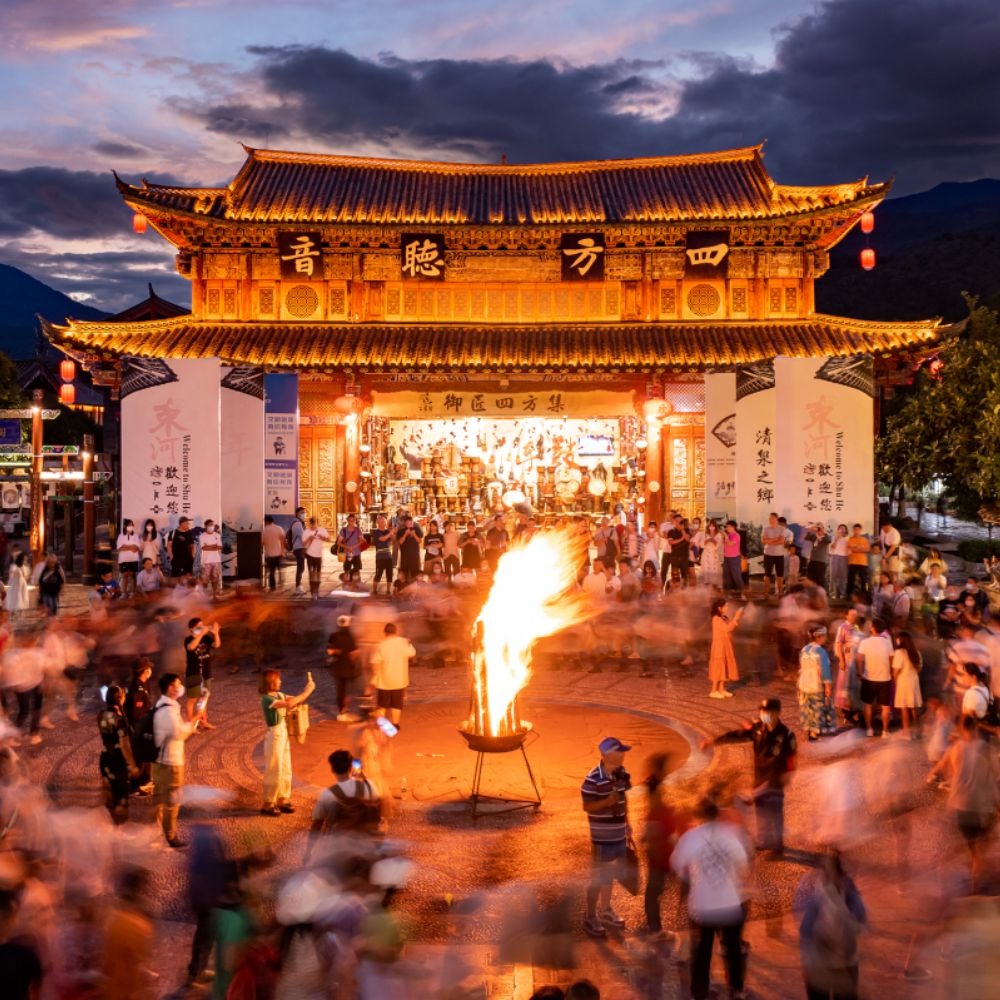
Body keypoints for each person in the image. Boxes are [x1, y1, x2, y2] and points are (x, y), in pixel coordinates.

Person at [671, 796, 751, 1000]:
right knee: (732, 949)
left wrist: (691, 876)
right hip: (730, 904)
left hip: (702, 906)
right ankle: (737, 988)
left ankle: (700, 991)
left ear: (699, 816)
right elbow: (743, 865)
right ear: (717, 814)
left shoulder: (690, 837)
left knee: (702, 951)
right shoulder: (730, 835)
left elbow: (677, 865)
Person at [703, 698, 797, 856]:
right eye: (762, 711)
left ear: (777, 713)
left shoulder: (787, 735)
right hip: (759, 777)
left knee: (774, 813)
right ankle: (764, 841)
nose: (764, 715)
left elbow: (791, 758)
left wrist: (789, 774)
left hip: (775, 780)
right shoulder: (757, 729)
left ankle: (777, 846)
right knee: (760, 811)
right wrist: (714, 741)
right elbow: (737, 735)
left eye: (768, 712)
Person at [928, 714, 1000, 892]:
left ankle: (942, 879)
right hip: (983, 809)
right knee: (979, 850)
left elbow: (934, 772)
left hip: (960, 807)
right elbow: (996, 776)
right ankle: (976, 886)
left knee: (966, 844)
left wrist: (931, 779)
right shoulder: (985, 749)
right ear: (975, 728)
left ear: (961, 729)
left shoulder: (954, 748)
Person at [795, 852, 866, 1000]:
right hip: (843, 964)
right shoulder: (849, 890)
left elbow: (805, 930)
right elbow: (861, 921)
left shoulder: (813, 892)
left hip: (820, 966)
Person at [580, 736, 632, 938]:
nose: (623, 754)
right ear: (608, 754)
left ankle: (606, 910)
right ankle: (590, 916)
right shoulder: (592, 779)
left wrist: (628, 823)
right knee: (597, 878)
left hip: (619, 834)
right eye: (620, 751)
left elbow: (624, 798)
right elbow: (587, 806)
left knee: (609, 875)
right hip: (602, 839)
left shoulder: (622, 774)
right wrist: (606, 802)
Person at [152, 672, 205, 848]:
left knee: (159, 796)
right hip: (170, 763)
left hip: (159, 761)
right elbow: (180, 734)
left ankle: (155, 826)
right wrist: (195, 718)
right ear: (170, 688)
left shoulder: (161, 704)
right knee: (172, 800)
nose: (180, 686)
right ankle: (170, 835)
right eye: (177, 684)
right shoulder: (168, 711)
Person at [259, 667, 316, 816]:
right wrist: (307, 691)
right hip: (274, 735)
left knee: (285, 767)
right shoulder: (267, 699)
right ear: (271, 682)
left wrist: (304, 692)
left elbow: (294, 700)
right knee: (274, 769)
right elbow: (290, 704)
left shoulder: (278, 694)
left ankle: (282, 798)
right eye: (278, 679)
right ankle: (268, 802)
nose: (280, 681)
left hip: (282, 733)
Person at [642, 751, 683, 940]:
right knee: (655, 888)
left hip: (658, 850)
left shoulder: (654, 793)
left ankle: (652, 925)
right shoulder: (656, 800)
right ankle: (654, 929)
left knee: (655, 889)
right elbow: (655, 831)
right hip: (659, 852)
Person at [308, 748, 381, 849]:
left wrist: (308, 852)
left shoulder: (327, 794)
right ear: (351, 767)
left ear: (332, 769)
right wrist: (364, 777)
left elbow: (317, 825)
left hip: (337, 847)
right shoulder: (368, 787)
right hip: (364, 845)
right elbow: (378, 806)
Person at [99, 866, 154, 1000]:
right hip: (128, 992)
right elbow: (140, 966)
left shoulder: (111, 920)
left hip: (114, 989)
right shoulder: (138, 926)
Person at [97, 684, 139, 823]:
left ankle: (110, 826)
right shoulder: (119, 720)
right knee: (120, 797)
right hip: (118, 760)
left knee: (109, 796)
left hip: (105, 758)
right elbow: (124, 745)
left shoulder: (101, 715)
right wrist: (133, 766)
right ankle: (118, 829)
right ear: (120, 699)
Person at [370, 622, 415, 729]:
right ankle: (395, 725)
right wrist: (409, 643)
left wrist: (375, 676)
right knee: (396, 704)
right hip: (400, 680)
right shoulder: (403, 642)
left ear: (385, 633)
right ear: (396, 631)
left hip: (384, 681)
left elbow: (375, 662)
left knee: (382, 705)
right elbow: (412, 653)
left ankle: (383, 727)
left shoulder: (380, 644)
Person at [856, 617, 893, 737]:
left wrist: (860, 673)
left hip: (869, 677)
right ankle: (885, 731)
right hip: (885, 678)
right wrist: (891, 673)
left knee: (867, 704)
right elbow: (891, 659)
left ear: (873, 628)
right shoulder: (887, 642)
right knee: (885, 706)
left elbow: (860, 660)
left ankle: (869, 729)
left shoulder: (865, 642)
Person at [798, 625, 834, 740]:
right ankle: (814, 732)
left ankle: (807, 729)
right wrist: (828, 686)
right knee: (816, 708)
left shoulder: (804, 649)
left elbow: (801, 666)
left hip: (803, 682)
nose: (825, 638)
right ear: (819, 637)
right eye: (824, 636)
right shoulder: (820, 651)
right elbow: (825, 670)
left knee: (806, 707)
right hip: (815, 682)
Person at [184, 617, 220, 728]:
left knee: (203, 698)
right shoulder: (188, 639)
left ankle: (203, 722)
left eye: (202, 625)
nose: (201, 628)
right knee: (192, 700)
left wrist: (216, 633)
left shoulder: (206, 638)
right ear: (191, 629)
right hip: (194, 674)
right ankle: (190, 725)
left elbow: (217, 645)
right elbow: (191, 647)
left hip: (206, 673)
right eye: (198, 627)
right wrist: (200, 634)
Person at [708, 597, 744, 698]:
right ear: (720, 608)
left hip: (726, 644)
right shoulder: (716, 619)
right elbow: (727, 629)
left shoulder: (724, 618)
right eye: (726, 606)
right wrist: (736, 617)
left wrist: (738, 617)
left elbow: (731, 627)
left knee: (725, 665)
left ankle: (721, 688)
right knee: (718, 666)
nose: (727, 607)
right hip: (719, 645)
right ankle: (713, 690)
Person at [327, 614, 360, 721]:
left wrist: (338, 652)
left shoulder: (333, 636)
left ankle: (342, 711)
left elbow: (329, 651)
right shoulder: (352, 636)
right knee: (348, 690)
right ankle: (346, 709)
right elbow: (355, 653)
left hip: (337, 668)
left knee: (340, 690)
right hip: (349, 668)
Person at [892, 631, 923, 739]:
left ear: (901, 640)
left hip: (903, 681)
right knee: (913, 707)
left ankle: (907, 733)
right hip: (914, 681)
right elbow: (919, 668)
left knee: (904, 707)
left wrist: (894, 678)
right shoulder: (916, 652)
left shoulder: (899, 652)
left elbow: (897, 669)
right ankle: (917, 731)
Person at [301, 517, 329, 600]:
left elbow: (329, 539)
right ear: (310, 524)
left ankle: (317, 591)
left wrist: (323, 538)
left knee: (318, 574)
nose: (314, 526)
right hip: (310, 555)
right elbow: (303, 543)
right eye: (312, 524)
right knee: (311, 574)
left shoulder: (322, 530)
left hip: (318, 555)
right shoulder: (306, 531)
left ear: (318, 523)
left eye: (315, 524)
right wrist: (310, 538)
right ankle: (313, 591)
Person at [761, 512, 786, 598]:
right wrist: (775, 539)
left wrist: (769, 540)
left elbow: (781, 541)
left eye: (772, 518)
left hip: (779, 554)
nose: (770, 519)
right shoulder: (765, 528)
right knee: (767, 574)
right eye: (769, 518)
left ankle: (780, 593)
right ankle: (766, 593)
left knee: (780, 575)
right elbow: (763, 541)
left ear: (776, 519)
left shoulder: (782, 529)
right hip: (768, 554)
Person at [371, 514, 396, 595]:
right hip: (380, 557)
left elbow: (393, 541)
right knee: (378, 574)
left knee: (389, 574)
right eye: (381, 520)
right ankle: (374, 590)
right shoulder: (376, 532)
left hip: (388, 556)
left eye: (384, 520)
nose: (383, 521)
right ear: (378, 522)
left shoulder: (387, 531)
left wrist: (393, 534)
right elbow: (382, 539)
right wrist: (391, 533)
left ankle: (388, 590)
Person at [115, 519, 141, 597]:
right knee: (124, 576)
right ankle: (123, 593)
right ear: (125, 526)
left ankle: (132, 592)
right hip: (123, 559)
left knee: (133, 575)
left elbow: (136, 548)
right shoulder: (121, 536)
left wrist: (125, 546)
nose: (131, 527)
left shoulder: (135, 535)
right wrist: (130, 547)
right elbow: (119, 548)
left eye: (132, 525)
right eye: (129, 525)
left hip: (134, 559)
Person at [845, 524, 871, 601]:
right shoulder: (850, 539)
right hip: (852, 562)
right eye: (855, 529)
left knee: (864, 580)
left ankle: (865, 595)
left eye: (858, 529)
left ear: (860, 530)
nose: (856, 531)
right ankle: (849, 595)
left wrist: (855, 548)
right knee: (851, 579)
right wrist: (859, 549)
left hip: (863, 562)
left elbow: (867, 550)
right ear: (853, 530)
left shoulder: (864, 540)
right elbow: (850, 550)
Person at [261, 515, 287, 591]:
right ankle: (281, 584)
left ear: (266, 521)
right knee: (280, 570)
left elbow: (262, 543)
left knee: (271, 572)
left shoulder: (265, 530)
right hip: (279, 553)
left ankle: (273, 588)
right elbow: (283, 540)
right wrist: (283, 551)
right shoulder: (279, 528)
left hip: (269, 555)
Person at [337, 513, 365, 580]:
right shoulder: (343, 530)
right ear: (347, 521)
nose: (351, 522)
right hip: (346, 554)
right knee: (347, 571)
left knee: (357, 571)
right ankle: (346, 586)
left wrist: (353, 547)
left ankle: (357, 586)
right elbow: (338, 542)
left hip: (356, 553)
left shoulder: (358, 530)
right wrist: (347, 547)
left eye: (353, 520)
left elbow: (362, 541)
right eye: (350, 520)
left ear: (355, 521)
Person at [167, 516, 196, 580]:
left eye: (188, 523)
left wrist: (192, 557)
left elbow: (192, 546)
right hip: (176, 559)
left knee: (188, 578)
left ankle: (188, 590)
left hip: (188, 559)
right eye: (187, 523)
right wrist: (172, 558)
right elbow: (169, 546)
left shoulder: (189, 533)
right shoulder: (173, 532)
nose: (188, 524)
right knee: (175, 578)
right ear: (182, 523)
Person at [396, 514, 423, 583]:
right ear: (405, 523)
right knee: (404, 574)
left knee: (415, 574)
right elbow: (400, 542)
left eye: (410, 523)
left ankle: (415, 589)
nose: (409, 524)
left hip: (415, 556)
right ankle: (404, 589)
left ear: (412, 522)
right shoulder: (401, 531)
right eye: (407, 523)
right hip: (405, 557)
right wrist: (405, 535)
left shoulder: (417, 529)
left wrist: (414, 535)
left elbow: (419, 541)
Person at [722, 520, 744, 596]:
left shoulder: (736, 535)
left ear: (733, 527)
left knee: (736, 576)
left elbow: (730, 544)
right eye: (726, 526)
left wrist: (725, 536)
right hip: (726, 558)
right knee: (726, 576)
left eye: (728, 526)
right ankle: (728, 593)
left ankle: (740, 593)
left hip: (734, 558)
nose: (726, 528)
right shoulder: (728, 535)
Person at [4, 553, 29, 620]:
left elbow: (26, 576)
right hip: (15, 586)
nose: (25, 560)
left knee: (22, 598)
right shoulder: (14, 566)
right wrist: (14, 572)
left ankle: (20, 615)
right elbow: (11, 573)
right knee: (15, 599)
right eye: (24, 558)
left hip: (22, 585)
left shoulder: (24, 567)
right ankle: (12, 615)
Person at [828, 524, 850, 601]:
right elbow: (832, 547)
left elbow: (849, 549)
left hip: (844, 557)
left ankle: (842, 593)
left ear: (846, 530)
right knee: (833, 575)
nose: (841, 530)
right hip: (835, 556)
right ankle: (832, 593)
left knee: (843, 576)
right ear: (837, 530)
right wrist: (837, 538)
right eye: (840, 528)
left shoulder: (848, 538)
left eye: (843, 528)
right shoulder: (834, 537)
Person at [290, 506, 307, 596]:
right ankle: (298, 587)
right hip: (299, 548)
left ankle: (299, 586)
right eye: (302, 513)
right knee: (300, 567)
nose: (304, 514)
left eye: (304, 512)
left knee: (301, 567)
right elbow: (302, 537)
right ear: (297, 514)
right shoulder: (297, 523)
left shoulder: (300, 523)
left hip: (300, 548)